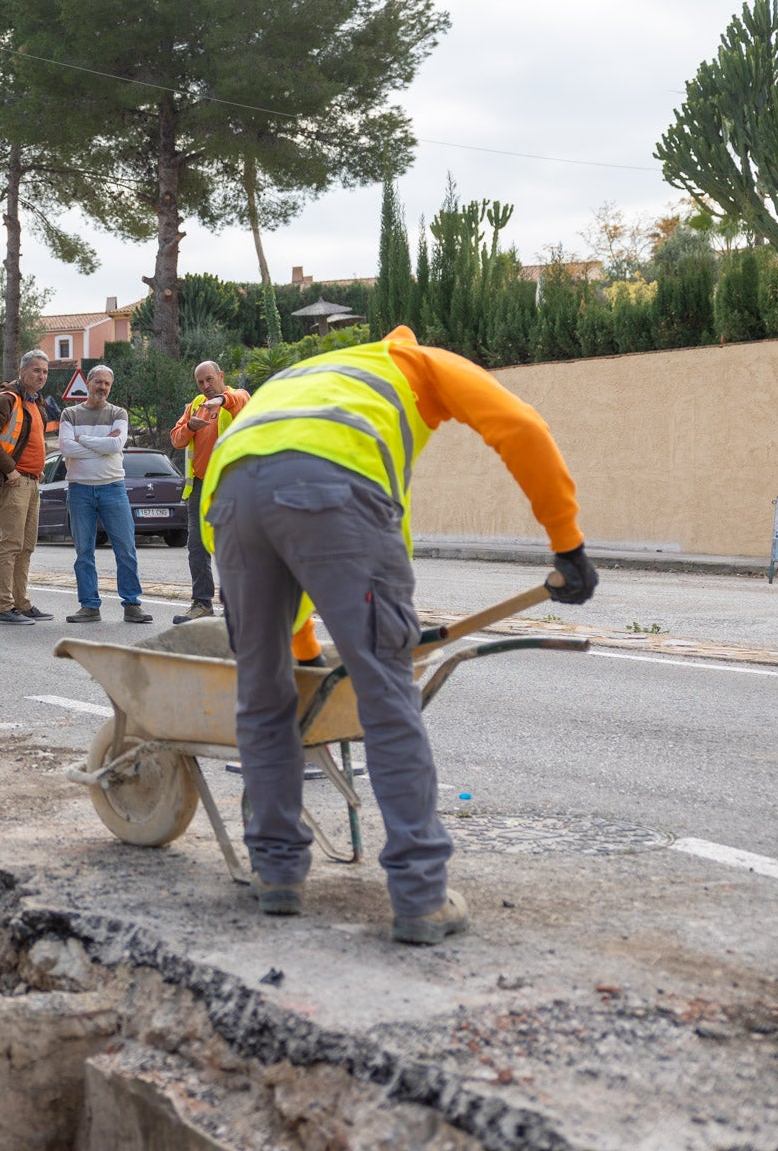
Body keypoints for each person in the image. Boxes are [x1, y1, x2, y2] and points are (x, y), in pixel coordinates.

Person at [202, 324, 598, 946]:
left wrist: (303, 653)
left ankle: (277, 874)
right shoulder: (418, 365)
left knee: (261, 690)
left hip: (228, 499)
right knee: (387, 694)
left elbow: (272, 515)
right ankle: (420, 897)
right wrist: (567, 542)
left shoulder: (303, 382)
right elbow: (521, 427)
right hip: (331, 488)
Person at [57, 365, 152, 624]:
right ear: (87, 383)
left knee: (126, 549)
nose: (102, 387)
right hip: (79, 490)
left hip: (113, 488)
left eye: (107, 384)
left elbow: (116, 444)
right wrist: (98, 445)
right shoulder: (70, 413)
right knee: (83, 551)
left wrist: (82, 440)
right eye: (98, 381)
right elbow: (66, 447)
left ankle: (132, 603)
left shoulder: (118, 413)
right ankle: (89, 606)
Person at [0, 349, 55, 625]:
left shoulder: (36, 403)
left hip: (32, 481)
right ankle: (4, 607)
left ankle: (21, 603)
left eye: (45, 371)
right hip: (16, 481)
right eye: (36, 370)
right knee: (11, 544)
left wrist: (38, 469)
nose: (41, 375)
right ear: (22, 372)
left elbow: (28, 441)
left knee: (26, 546)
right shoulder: (7, 399)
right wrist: (10, 470)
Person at [169, 359, 249, 623]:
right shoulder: (195, 405)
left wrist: (221, 401)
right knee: (197, 547)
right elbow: (176, 439)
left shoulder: (236, 398)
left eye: (209, 379)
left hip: (230, 484)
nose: (205, 386)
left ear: (221, 376)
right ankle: (201, 603)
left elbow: (240, 397)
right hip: (200, 487)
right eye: (200, 382)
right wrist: (191, 426)